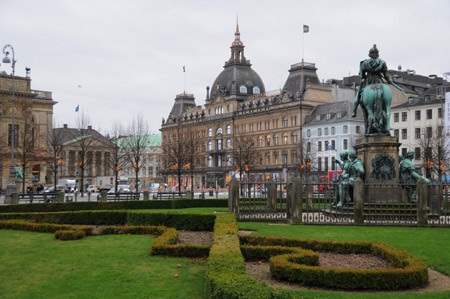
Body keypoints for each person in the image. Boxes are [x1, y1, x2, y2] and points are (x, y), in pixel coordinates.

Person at [352, 44, 393, 117]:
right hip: (379, 81)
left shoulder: (364, 63)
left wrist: (364, 75)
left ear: (370, 54)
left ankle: (354, 110)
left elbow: (361, 76)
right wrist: (389, 81)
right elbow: (386, 76)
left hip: (368, 82)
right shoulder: (382, 63)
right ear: (377, 54)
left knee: (358, 94)